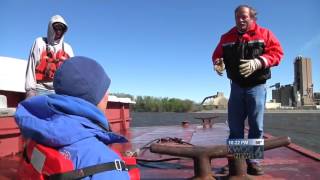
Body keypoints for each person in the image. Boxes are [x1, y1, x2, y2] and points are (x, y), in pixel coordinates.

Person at [15, 56, 130, 179]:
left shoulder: (38, 131)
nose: (107, 95)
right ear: (96, 97)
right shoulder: (108, 165)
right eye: (105, 90)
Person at [212, 5, 283, 175]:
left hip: (257, 87)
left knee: (255, 126)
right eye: (237, 17)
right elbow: (216, 55)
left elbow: (278, 52)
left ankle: (253, 161)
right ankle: (236, 161)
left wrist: (259, 62)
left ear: (253, 18)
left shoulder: (265, 34)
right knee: (235, 127)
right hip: (236, 87)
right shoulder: (226, 37)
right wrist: (217, 63)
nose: (240, 20)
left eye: (244, 16)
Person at [25, 14, 74, 98]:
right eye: (56, 28)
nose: (58, 31)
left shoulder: (68, 48)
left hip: (59, 92)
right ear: (50, 28)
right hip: (40, 89)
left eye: (61, 29)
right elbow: (31, 67)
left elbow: (72, 72)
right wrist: (30, 90)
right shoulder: (39, 42)